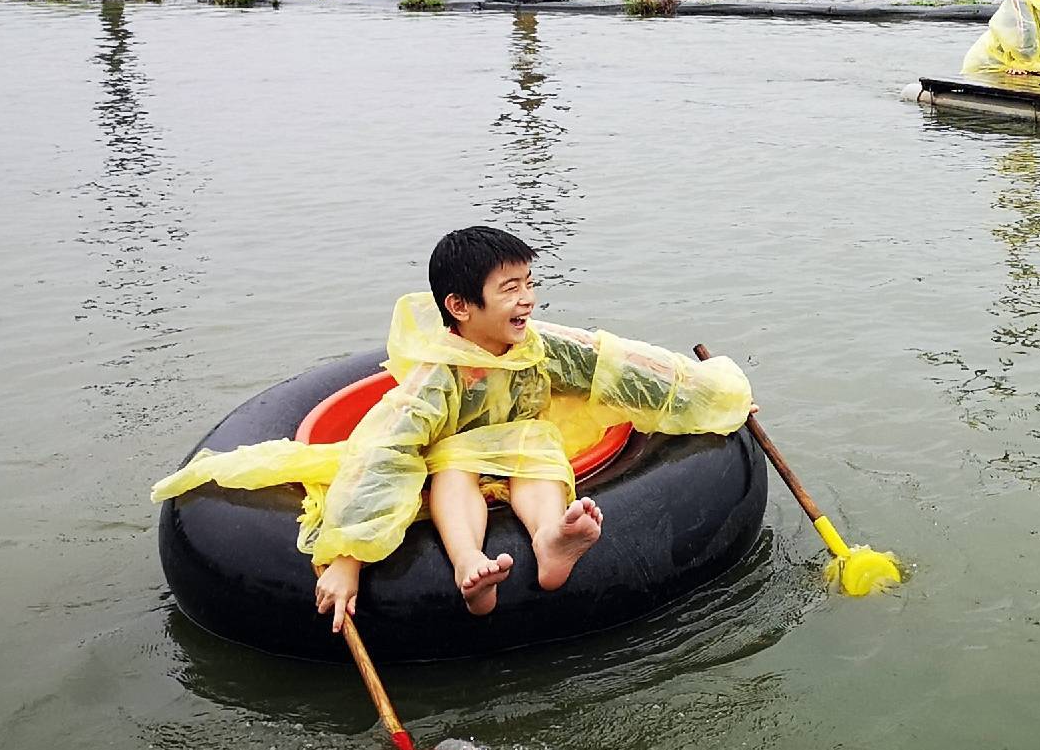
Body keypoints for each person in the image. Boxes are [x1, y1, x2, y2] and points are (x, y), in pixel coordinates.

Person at [151, 226, 754, 630]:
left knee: (538, 449)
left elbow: (617, 365)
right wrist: (351, 557)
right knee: (454, 463)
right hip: (449, 473)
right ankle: (469, 566)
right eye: (510, 290)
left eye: (529, 285)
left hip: (522, 458)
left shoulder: (539, 349)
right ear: (461, 307)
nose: (528, 301)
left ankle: (550, 541)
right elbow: (386, 452)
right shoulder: (436, 380)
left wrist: (718, 399)